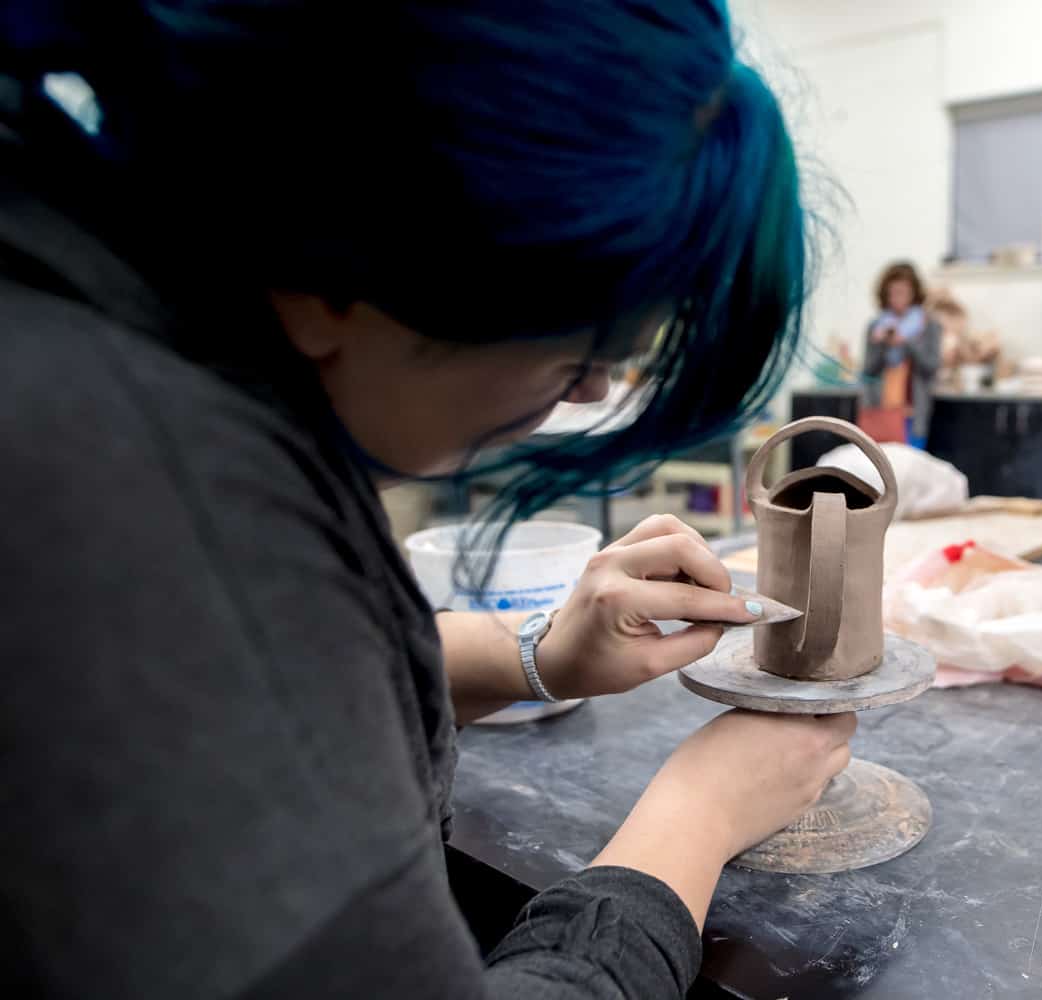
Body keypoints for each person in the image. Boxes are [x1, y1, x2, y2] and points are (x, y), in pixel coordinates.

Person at [0, 3, 857, 997]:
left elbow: (209, 688)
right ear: (334, 278)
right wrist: (693, 821)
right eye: (583, 357)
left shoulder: (82, 284)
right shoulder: (129, 483)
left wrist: (538, 654)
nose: (583, 396)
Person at [863, 260, 942, 448]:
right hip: (880, 412)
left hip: (912, 415)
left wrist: (907, 342)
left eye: (902, 293)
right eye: (892, 293)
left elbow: (931, 367)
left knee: (907, 471)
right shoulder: (876, 327)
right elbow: (868, 370)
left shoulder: (928, 326)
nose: (897, 299)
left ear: (914, 294)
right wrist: (883, 343)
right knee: (876, 471)